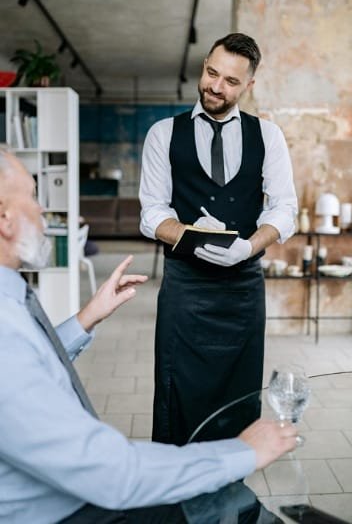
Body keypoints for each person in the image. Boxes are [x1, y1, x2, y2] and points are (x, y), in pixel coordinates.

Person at [0, 148, 298, 524]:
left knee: (232, 501)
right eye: (32, 196)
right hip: (70, 510)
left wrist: (86, 318)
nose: (43, 211)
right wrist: (243, 452)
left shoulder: (9, 301)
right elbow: (112, 474)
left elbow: (30, 363)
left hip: (76, 492)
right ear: (5, 218)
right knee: (234, 506)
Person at [140, 32, 298, 446]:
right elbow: (153, 213)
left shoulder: (268, 136)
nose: (215, 86)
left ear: (249, 86)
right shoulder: (162, 134)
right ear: (204, 65)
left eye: (230, 81)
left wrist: (249, 246)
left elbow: (285, 209)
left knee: (241, 395)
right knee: (177, 392)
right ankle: (176, 492)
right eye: (212, 73)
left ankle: (232, 484)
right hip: (185, 288)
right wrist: (190, 235)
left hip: (242, 290)